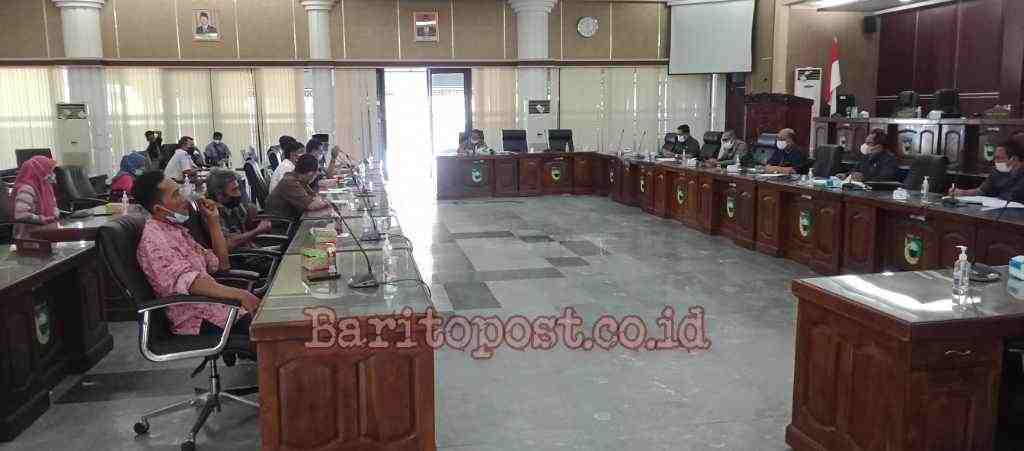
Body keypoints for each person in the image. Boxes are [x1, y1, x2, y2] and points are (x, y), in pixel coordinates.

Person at [132, 171, 261, 336]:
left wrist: (213, 221)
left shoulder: (176, 230)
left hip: (219, 308)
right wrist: (240, 294)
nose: (185, 199)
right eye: (176, 195)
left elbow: (221, 265)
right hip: (198, 319)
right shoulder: (155, 240)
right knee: (274, 331)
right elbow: (192, 283)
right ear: (159, 209)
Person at [205, 169, 272, 250]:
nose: (239, 194)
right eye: (234, 190)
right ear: (219, 194)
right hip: (240, 255)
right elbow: (228, 243)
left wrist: (252, 213)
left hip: (251, 249)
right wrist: (258, 230)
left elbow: (246, 225)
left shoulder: (231, 206)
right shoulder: (211, 212)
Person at [950, 141, 1024, 202]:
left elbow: (1012, 197)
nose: (995, 161)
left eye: (998, 158)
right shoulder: (996, 171)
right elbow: (981, 191)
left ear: (1014, 159)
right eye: (995, 158)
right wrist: (962, 192)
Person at [265, 154, 329, 221]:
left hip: (290, 217)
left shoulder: (298, 178)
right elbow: (312, 205)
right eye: (315, 174)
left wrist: (319, 200)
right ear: (310, 174)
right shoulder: (290, 182)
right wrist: (328, 201)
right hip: (280, 222)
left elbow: (314, 196)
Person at [10, 156, 59, 238]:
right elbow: (21, 215)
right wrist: (42, 219)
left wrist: (55, 213)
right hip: (29, 236)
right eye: (48, 170)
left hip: (47, 231)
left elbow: (53, 205)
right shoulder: (27, 189)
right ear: (38, 171)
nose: (51, 173)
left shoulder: (47, 186)